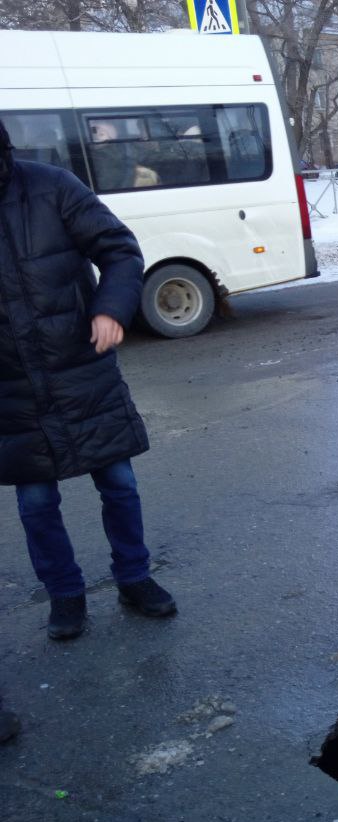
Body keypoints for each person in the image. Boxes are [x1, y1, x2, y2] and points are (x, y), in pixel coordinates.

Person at [0, 118, 176, 641]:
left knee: (118, 482)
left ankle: (134, 577)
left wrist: (112, 308)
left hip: (80, 365)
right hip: (9, 385)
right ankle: (65, 595)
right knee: (35, 501)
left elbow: (119, 249)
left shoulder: (51, 186)